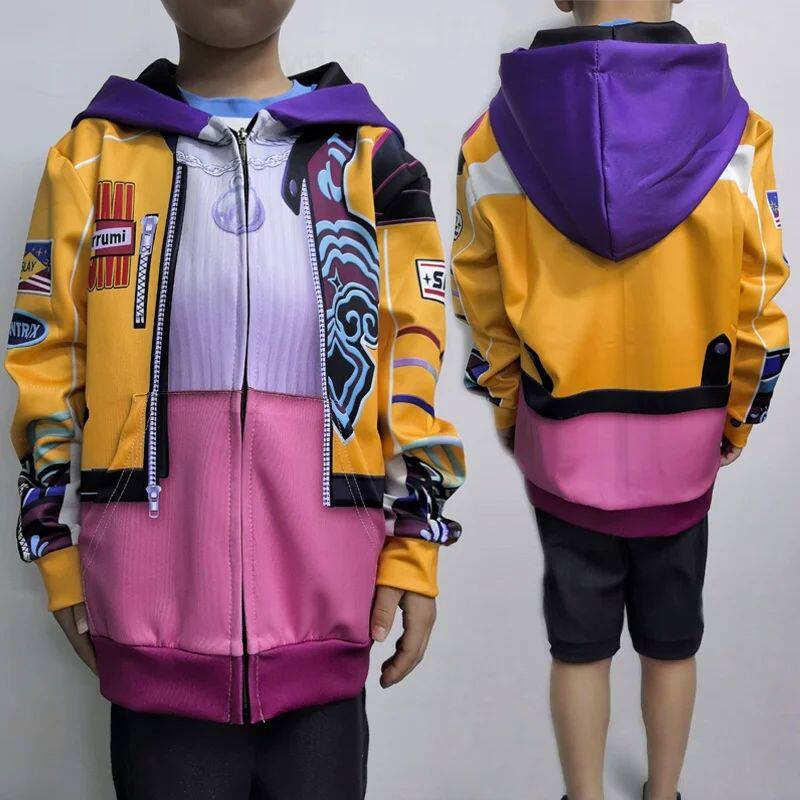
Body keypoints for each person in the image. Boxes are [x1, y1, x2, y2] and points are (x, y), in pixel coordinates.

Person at [6, 1, 465, 797]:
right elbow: (45, 357)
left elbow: (412, 361)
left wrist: (417, 547)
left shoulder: (372, 159)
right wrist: (55, 553)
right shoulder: (90, 157)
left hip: (327, 628)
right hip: (148, 633)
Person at [452, 2, 789, 799]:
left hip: (561, 441)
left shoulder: (493, 138)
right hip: (688, 436)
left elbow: (479, 302)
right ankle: (663, 793)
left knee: (578, 645)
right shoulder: (737, 132)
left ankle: (584, 795)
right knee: (673, 640)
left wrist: (515, 409)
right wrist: (737, 416)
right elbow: (760, 304)